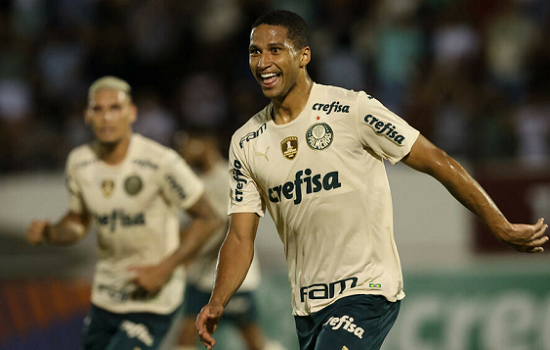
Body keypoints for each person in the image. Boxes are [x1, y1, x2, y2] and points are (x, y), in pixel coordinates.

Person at [196, 10, 549, 350]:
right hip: (307, 306)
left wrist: (499, 225)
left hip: (366, 290)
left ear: (303, 55)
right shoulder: (246, 141)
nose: (262, 62)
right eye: (255, 52)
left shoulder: (351, 110)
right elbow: (241, 237)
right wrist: (217, 301)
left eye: (275, 50)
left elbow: (436, 160)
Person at [26, 76, 222, 350]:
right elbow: (78, 223)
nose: (106, 117)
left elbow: (210, 217)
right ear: (87, 115)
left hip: (154, 297)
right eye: (98, 109)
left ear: (131, 113)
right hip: (106, 295)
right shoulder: (79, 163)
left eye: (115, 108)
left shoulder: (160, 162)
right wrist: (49, 232)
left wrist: (164, 269)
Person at [173, 130, 285, 350]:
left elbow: (231, 228)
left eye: (190, 144)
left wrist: (194, 253)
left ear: (206, 144)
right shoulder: (198, 182)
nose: (186, 150)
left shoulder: (228, 177)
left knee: (253, 340)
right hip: (202, 276)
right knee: (185, 337)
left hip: (232, 274)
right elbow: (189, 226)